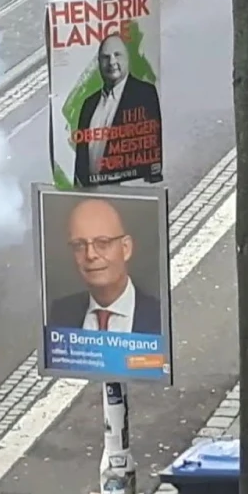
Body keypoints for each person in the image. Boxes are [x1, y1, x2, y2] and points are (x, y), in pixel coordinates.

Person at [47, 198, 161, 334]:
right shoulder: (61, 313)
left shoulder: (160, 314)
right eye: (79, 245)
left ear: (126, 249)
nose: (90, 255)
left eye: (102, 243)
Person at [73, 33, 162, 186]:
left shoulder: (144, 93)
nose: (111, 62)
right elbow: (81, 158)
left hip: (129, 189)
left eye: (117, 55)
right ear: (99, 63)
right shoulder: (89, 104)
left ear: (127, 58)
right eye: (105, 57)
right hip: (93, 192)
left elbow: (153, 144)